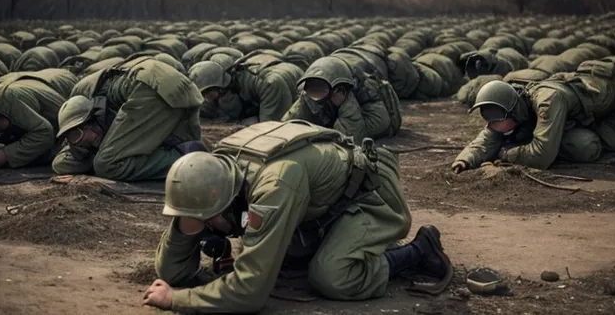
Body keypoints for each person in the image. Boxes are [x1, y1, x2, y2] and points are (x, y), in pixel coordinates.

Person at [143, 120, 452, 313]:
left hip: (370, 196)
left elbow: (250, 293)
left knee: (332, 276)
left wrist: (177, 300)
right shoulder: (217, 176)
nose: (202, 230)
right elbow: (171, 270)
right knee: (285, 259)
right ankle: (327, 244)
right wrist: (190, 226)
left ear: (224, 202)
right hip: (318, 206)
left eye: (206, 221)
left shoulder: (275, 186)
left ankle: (418, 251)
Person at [452, 58, 615, 172]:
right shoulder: (511, 105)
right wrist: (465, 160)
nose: (491, 124)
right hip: (600, 115)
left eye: (496, 119)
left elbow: (541, 156)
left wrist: (504, 154)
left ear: (510, 111)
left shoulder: (547, 100)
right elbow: (487, 137)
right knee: (589, 143)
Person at [52, 55, 205, 182]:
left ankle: (184, 160)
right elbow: (62, 163)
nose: (85, 139)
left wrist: (93, 160)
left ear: (90, 117)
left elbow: (71, 162)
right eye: (74, 137)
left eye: (79, 134)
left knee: (107, 164)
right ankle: (189, 152)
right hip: (177, 83)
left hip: (145, 87)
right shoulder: (90, 99)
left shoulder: (82, 98)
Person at [282, 56, 402, 143]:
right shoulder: (310, 91)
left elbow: (351, 140)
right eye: (312, 86)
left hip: (365, 118)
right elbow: (286, 125)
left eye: (321, 88)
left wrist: (343, 103)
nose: (315, 91)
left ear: (338, 89)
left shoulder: (369, 99)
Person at [188, 50, 303, 124]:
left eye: (207, 93)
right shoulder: (221, 87)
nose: (207, 98)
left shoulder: (268, 83)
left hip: (294, 87)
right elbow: (204, 112)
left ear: (221, 86)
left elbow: (272, 126)